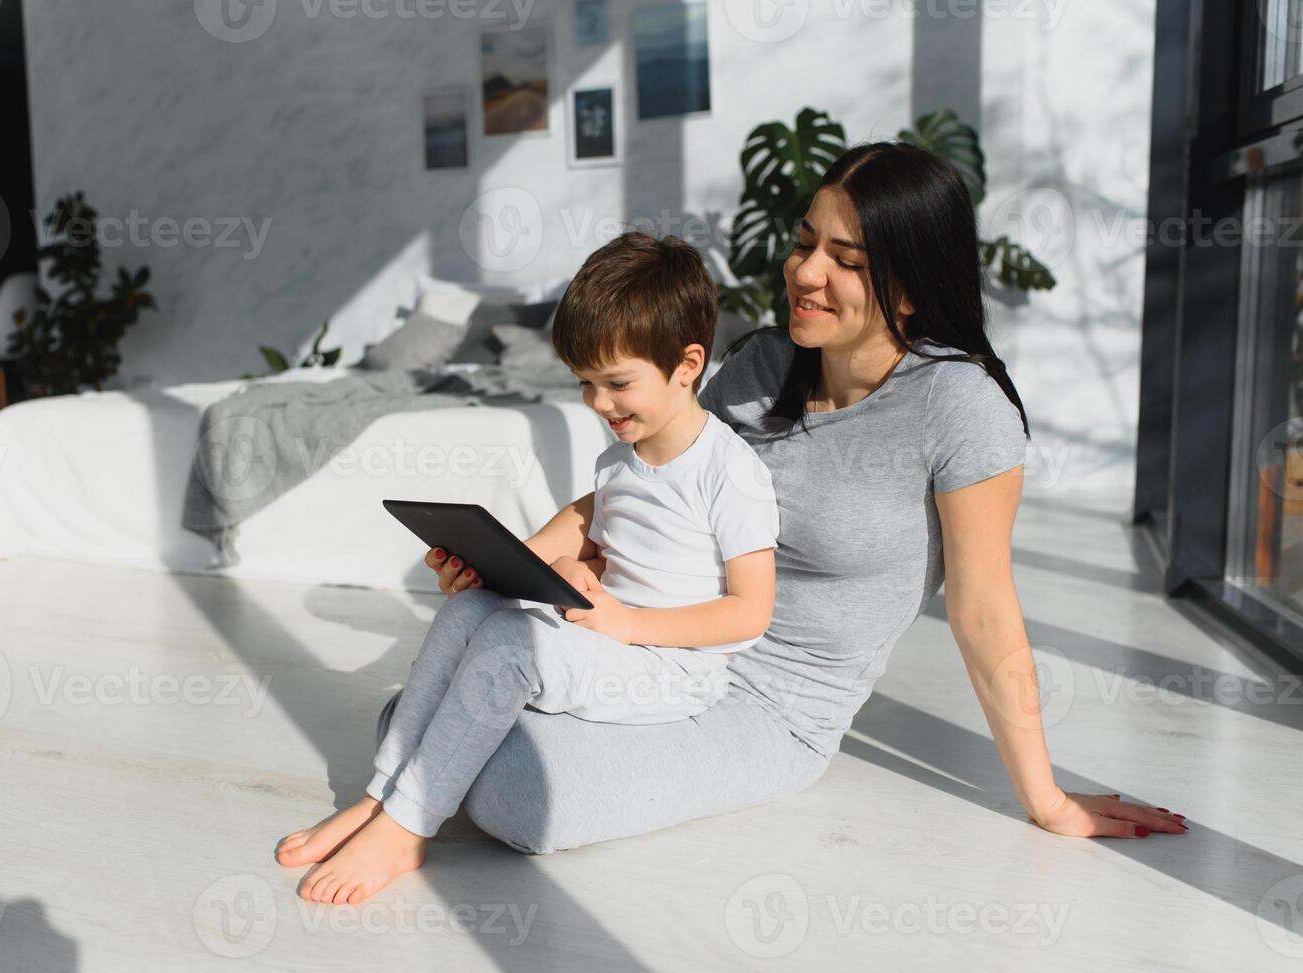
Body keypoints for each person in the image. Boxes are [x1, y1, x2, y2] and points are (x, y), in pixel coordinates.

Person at [404, 141, 1189, 858]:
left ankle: (430, 776)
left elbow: (984, 609)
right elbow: (639, 489)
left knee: (511, 789)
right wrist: (514, 561)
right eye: (805, 241)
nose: (805, 272)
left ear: (910, 287)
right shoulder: (762, 366)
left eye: (843, 258)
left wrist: (1046, 798)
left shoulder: (959, 405)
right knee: (451, 700)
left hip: (772, 708)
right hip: (657, 645)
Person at [275, 233, 782, 905]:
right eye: (585, 384)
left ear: (688, 364)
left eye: (618, 383)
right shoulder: (620, 460)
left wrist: (627, 623)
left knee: (513, 644)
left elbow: (751, 611)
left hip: (672, 670)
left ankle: (407, 824)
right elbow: (589, 518)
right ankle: (381, 794)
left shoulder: (731, 471)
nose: (600, 404)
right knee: (467, 612)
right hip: (608, 638)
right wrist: (503, 563)